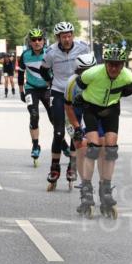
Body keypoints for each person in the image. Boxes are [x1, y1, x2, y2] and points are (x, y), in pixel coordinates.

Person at [73, 46, 132, 218]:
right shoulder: (92, 74)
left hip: (111, 110)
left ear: (123, 65)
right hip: (91, 108)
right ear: (105, 63)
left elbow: (129, 90)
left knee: (111, 149)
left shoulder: (128, 77)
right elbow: (79, 84)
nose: (114, 68)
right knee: (93, 148)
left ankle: (105, 190)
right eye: (111, 64)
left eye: (118, 65)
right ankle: (86, 190)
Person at [41, 21, 90, 191]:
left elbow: (90, 66)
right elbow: (43, 69)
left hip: (76, 93)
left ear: (73, 36)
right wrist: (49, 82)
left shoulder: (83, 47)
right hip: (58, 92)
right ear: (58, 38)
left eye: (69, 36)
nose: (67, 39)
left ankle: (72, 165)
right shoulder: (51, 52)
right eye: (63, 37)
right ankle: (55, 168)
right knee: (59, 131)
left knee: (75, 131)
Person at [63, 51, 98, 192]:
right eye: (84, 72)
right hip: (73, 112)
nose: (88, 75)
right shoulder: (72, 82)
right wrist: (77, 128)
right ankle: (85, 183)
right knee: (81, 144)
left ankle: (87, 177)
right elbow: (68, 107)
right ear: (78, 72)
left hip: (90, 111)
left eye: (92, 71)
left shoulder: (99, 80)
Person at [17, 29, 52, 165]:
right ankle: (35, 145)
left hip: (47, 89)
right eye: (34, 40)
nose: (37, 42)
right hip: (31, 89)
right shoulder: (25, 55)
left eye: (39, 39)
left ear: (43, 40)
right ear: (30, 42)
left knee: (54, 118)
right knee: (34, 115)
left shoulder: (49, 53)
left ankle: (63, 144)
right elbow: (20, 74)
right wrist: (21, 92)